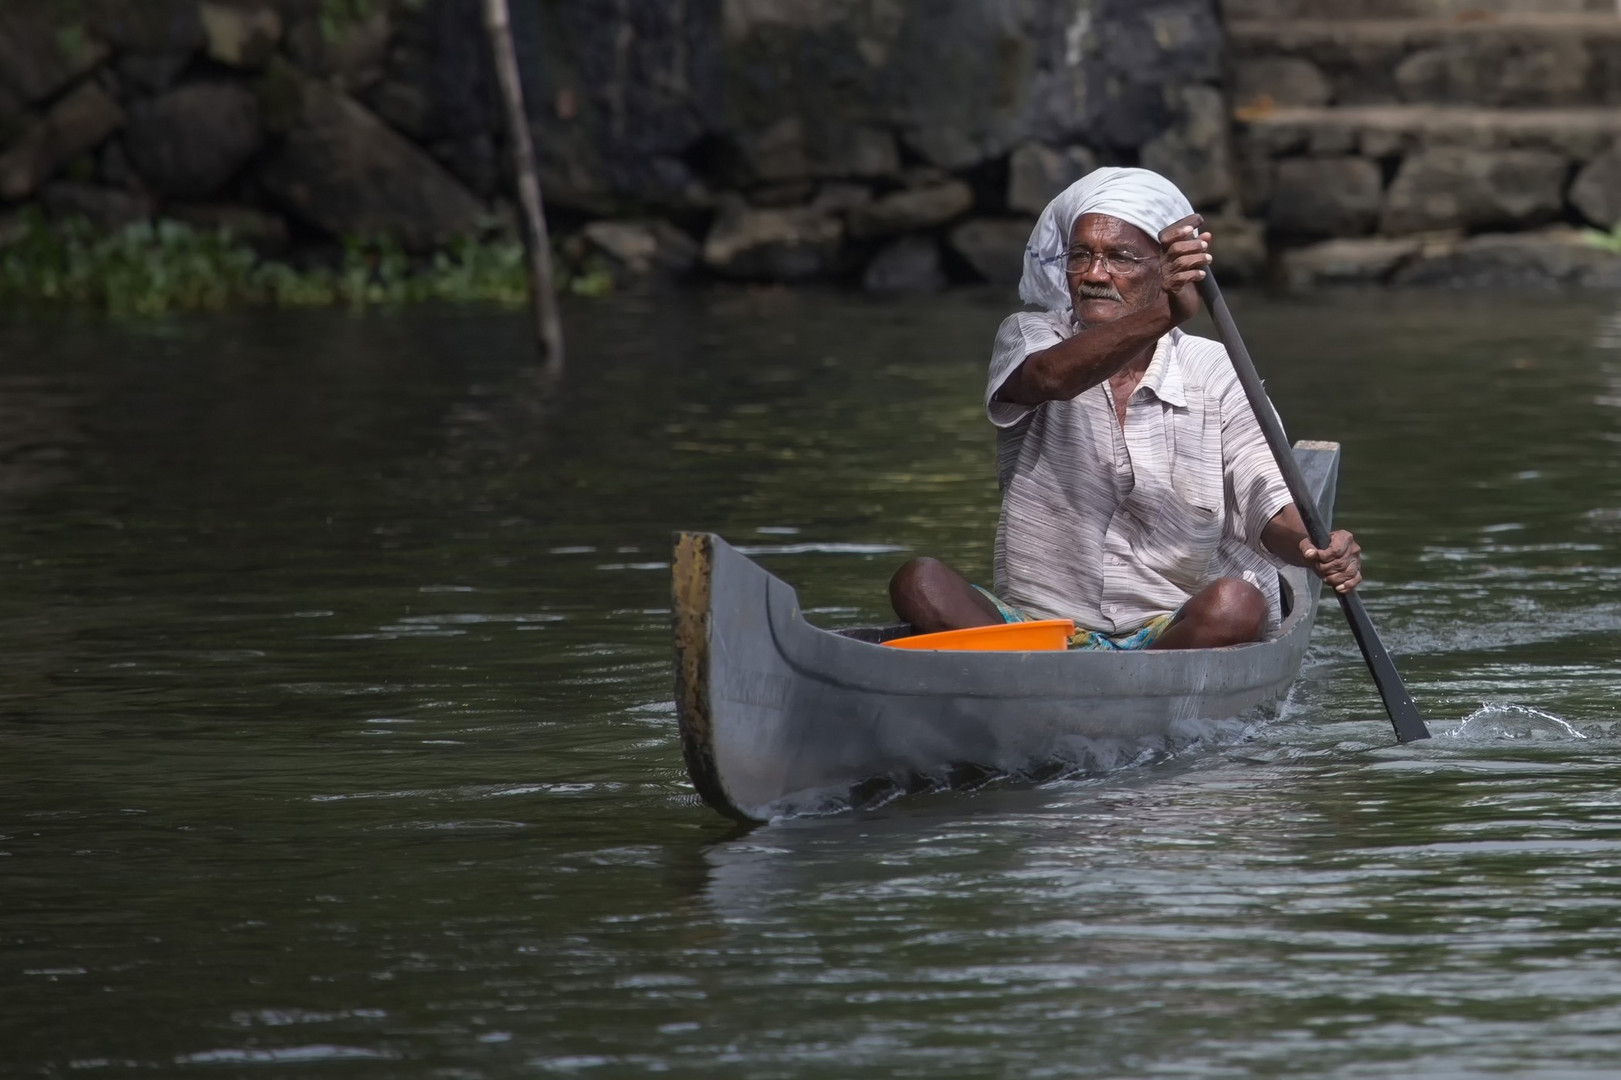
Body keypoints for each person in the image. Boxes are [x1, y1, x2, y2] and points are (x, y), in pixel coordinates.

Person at [888, 167, 1363, 650]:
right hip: (1038, 633)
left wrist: (1315, 549)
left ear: (1164, 270)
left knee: (1236, 605)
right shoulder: (1031, 337)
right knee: (919, 582)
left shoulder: (1212, 368)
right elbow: (1046, 379)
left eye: (1120, 257)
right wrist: (1166, 313)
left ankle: (1118, 683)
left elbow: (1267, 503)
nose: (1095, 274)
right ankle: (1037, 673)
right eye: (1081, 256)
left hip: (1171, 628)